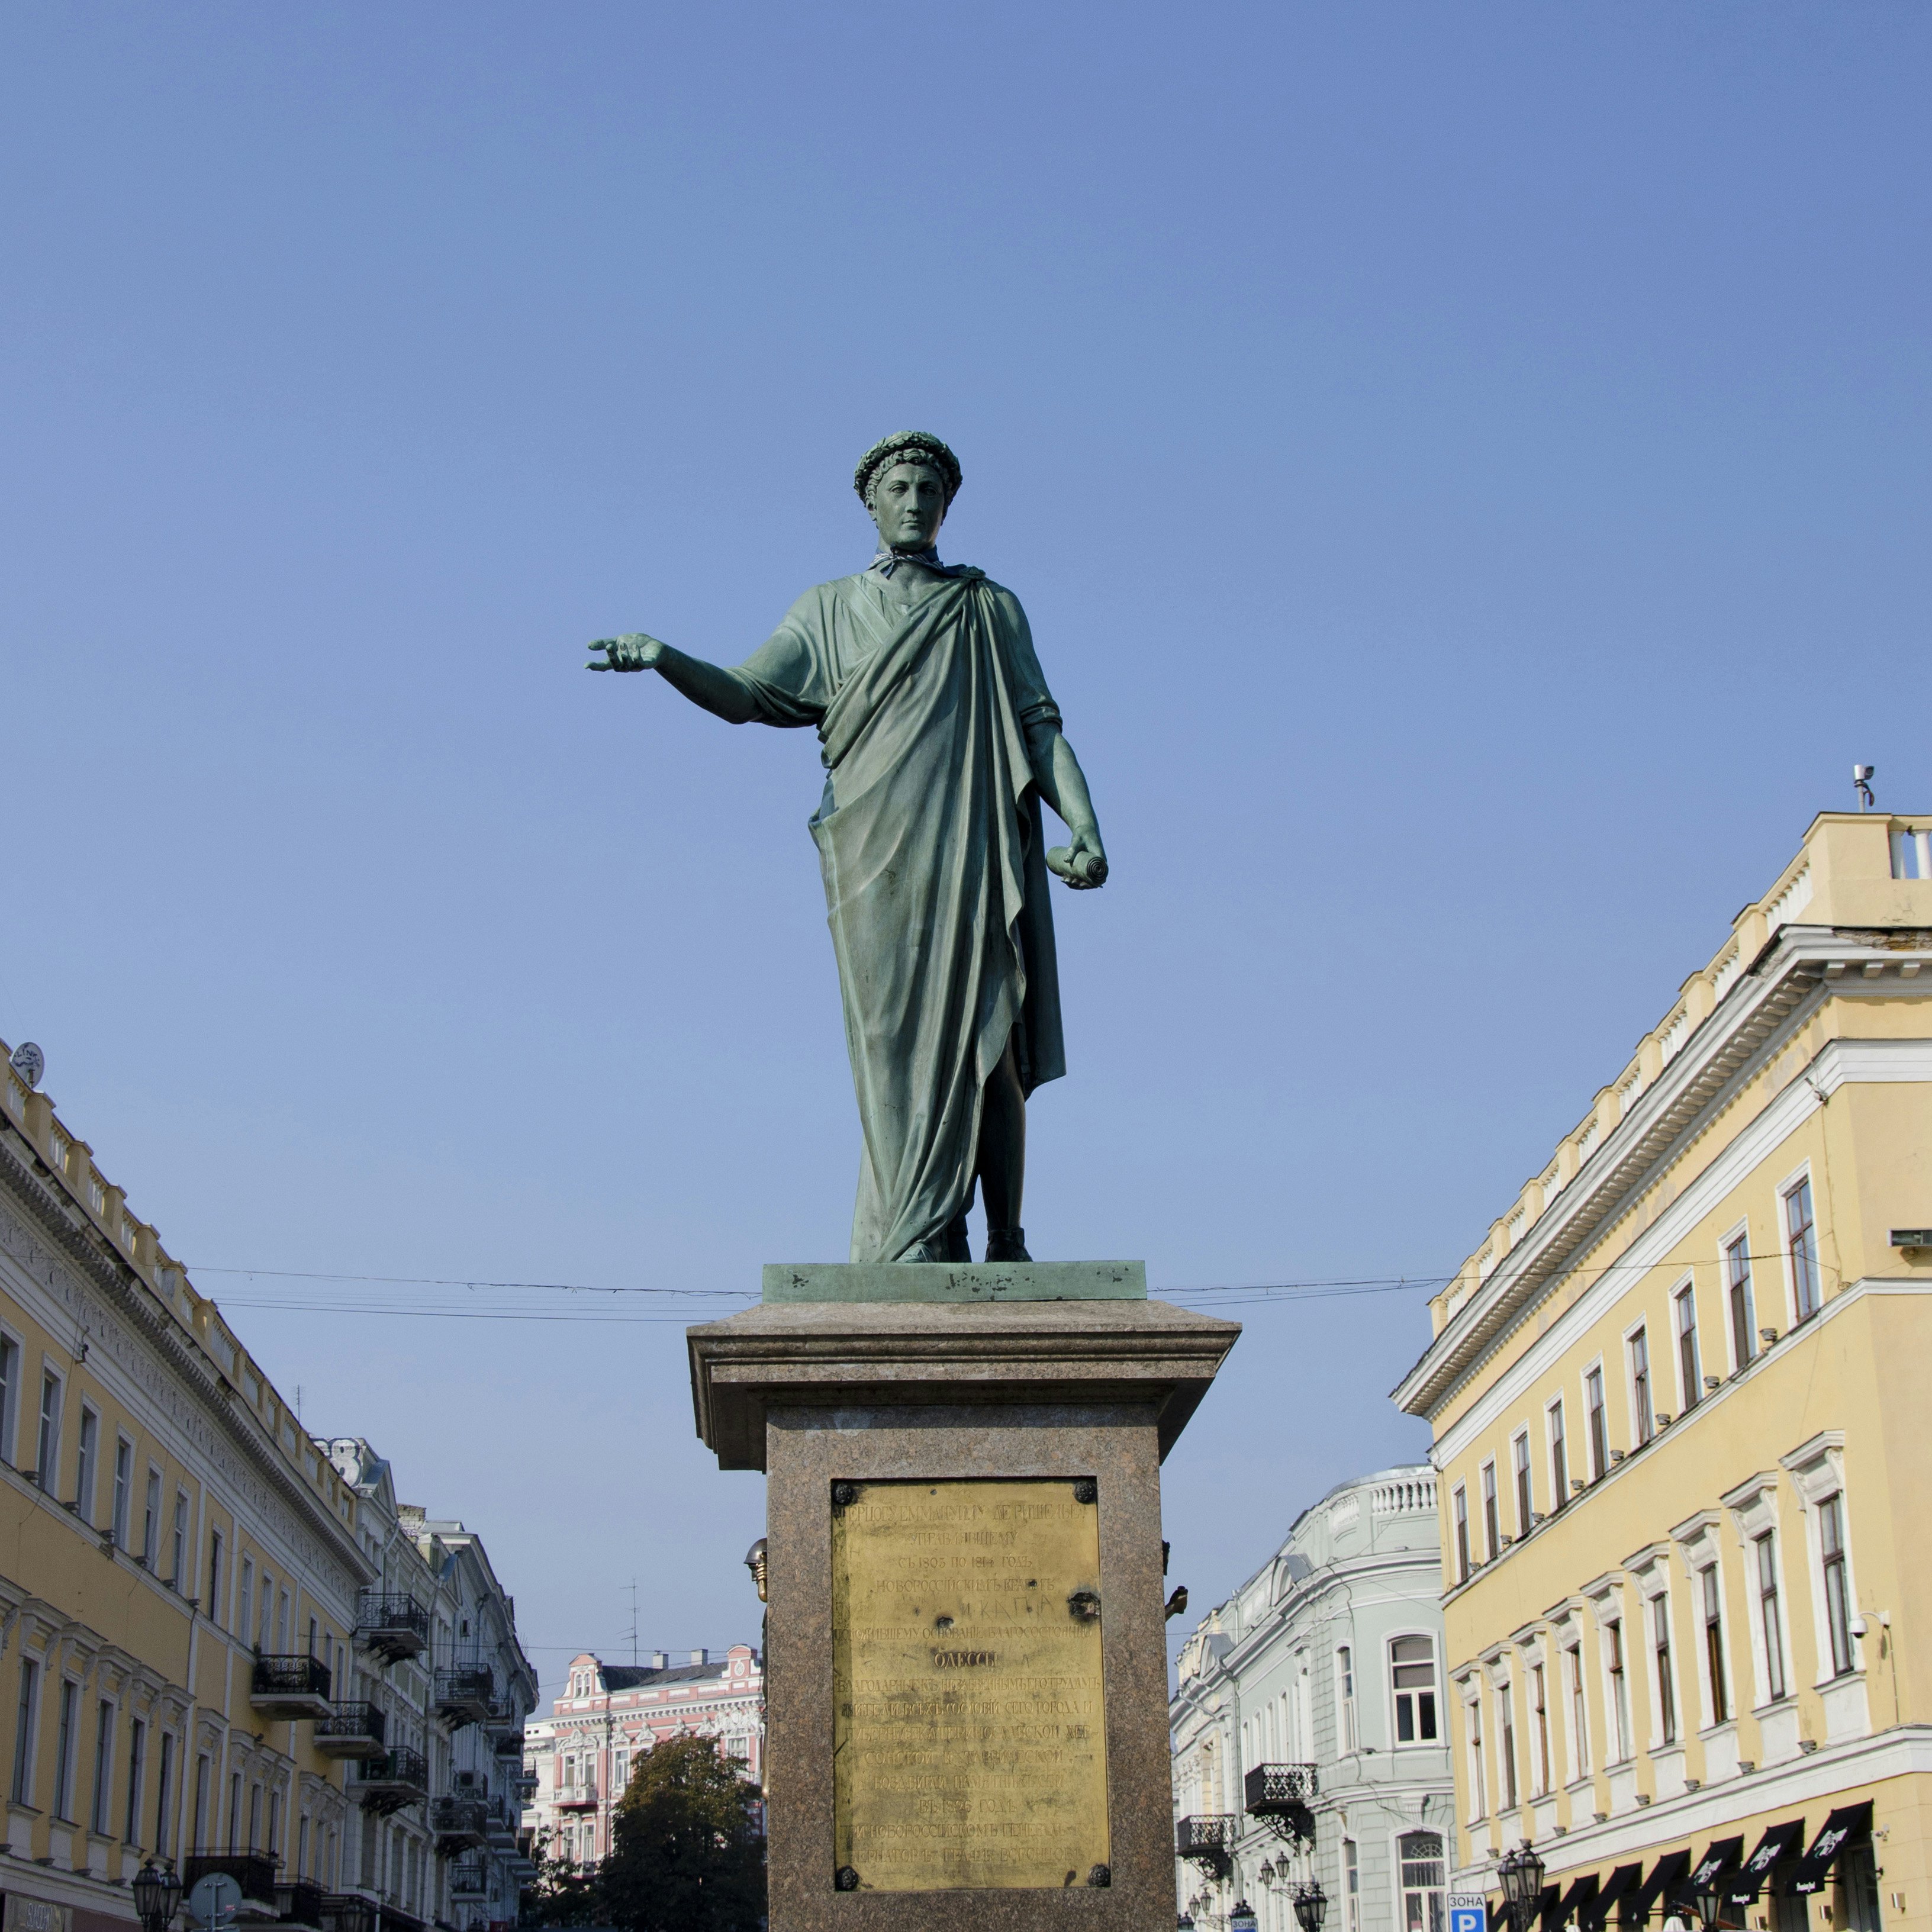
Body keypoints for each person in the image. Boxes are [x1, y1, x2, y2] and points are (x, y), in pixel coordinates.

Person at [588, 432, 1107, 1264]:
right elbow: (749, 694)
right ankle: (920, 1232)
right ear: (871, 503)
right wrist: (666, 660)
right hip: (875, 861)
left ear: (948, 505)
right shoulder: (827, 609)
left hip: (972, 848)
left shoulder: (987, 607)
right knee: (892, 1050)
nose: (915, 502)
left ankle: (1004, 1240)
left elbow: (1039, 727)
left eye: (930, 490)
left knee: (990, 1045)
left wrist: (1084, 825)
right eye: (899, 488)